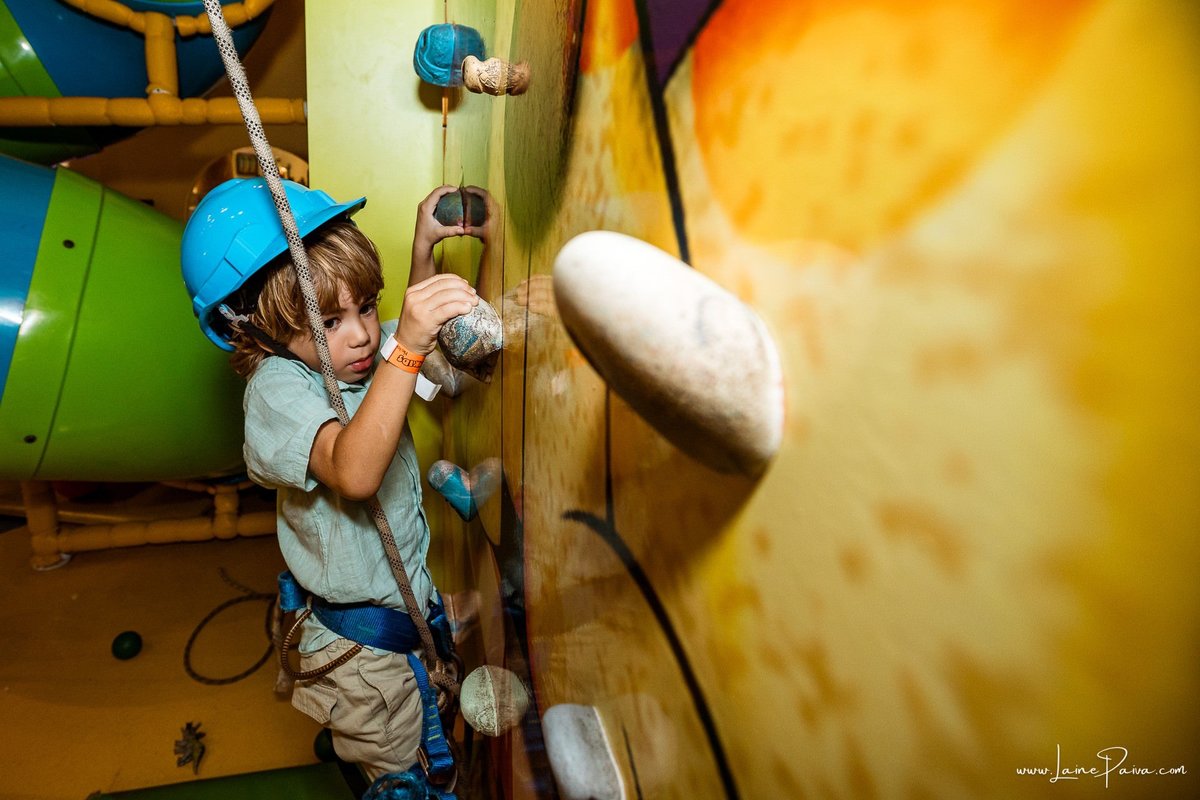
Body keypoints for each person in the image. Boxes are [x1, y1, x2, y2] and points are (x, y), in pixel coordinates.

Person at [180, 177, 477, 783]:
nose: (362, 334)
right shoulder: (276, 390)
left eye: (365, 306)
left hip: (404, 617)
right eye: (329, 321)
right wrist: (407, 344)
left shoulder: (355, 361)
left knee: (431, 748)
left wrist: (423, 249)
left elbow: (402, 350)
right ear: (253, 329)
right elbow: (354, 470)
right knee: (405, 779)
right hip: (363, 661)